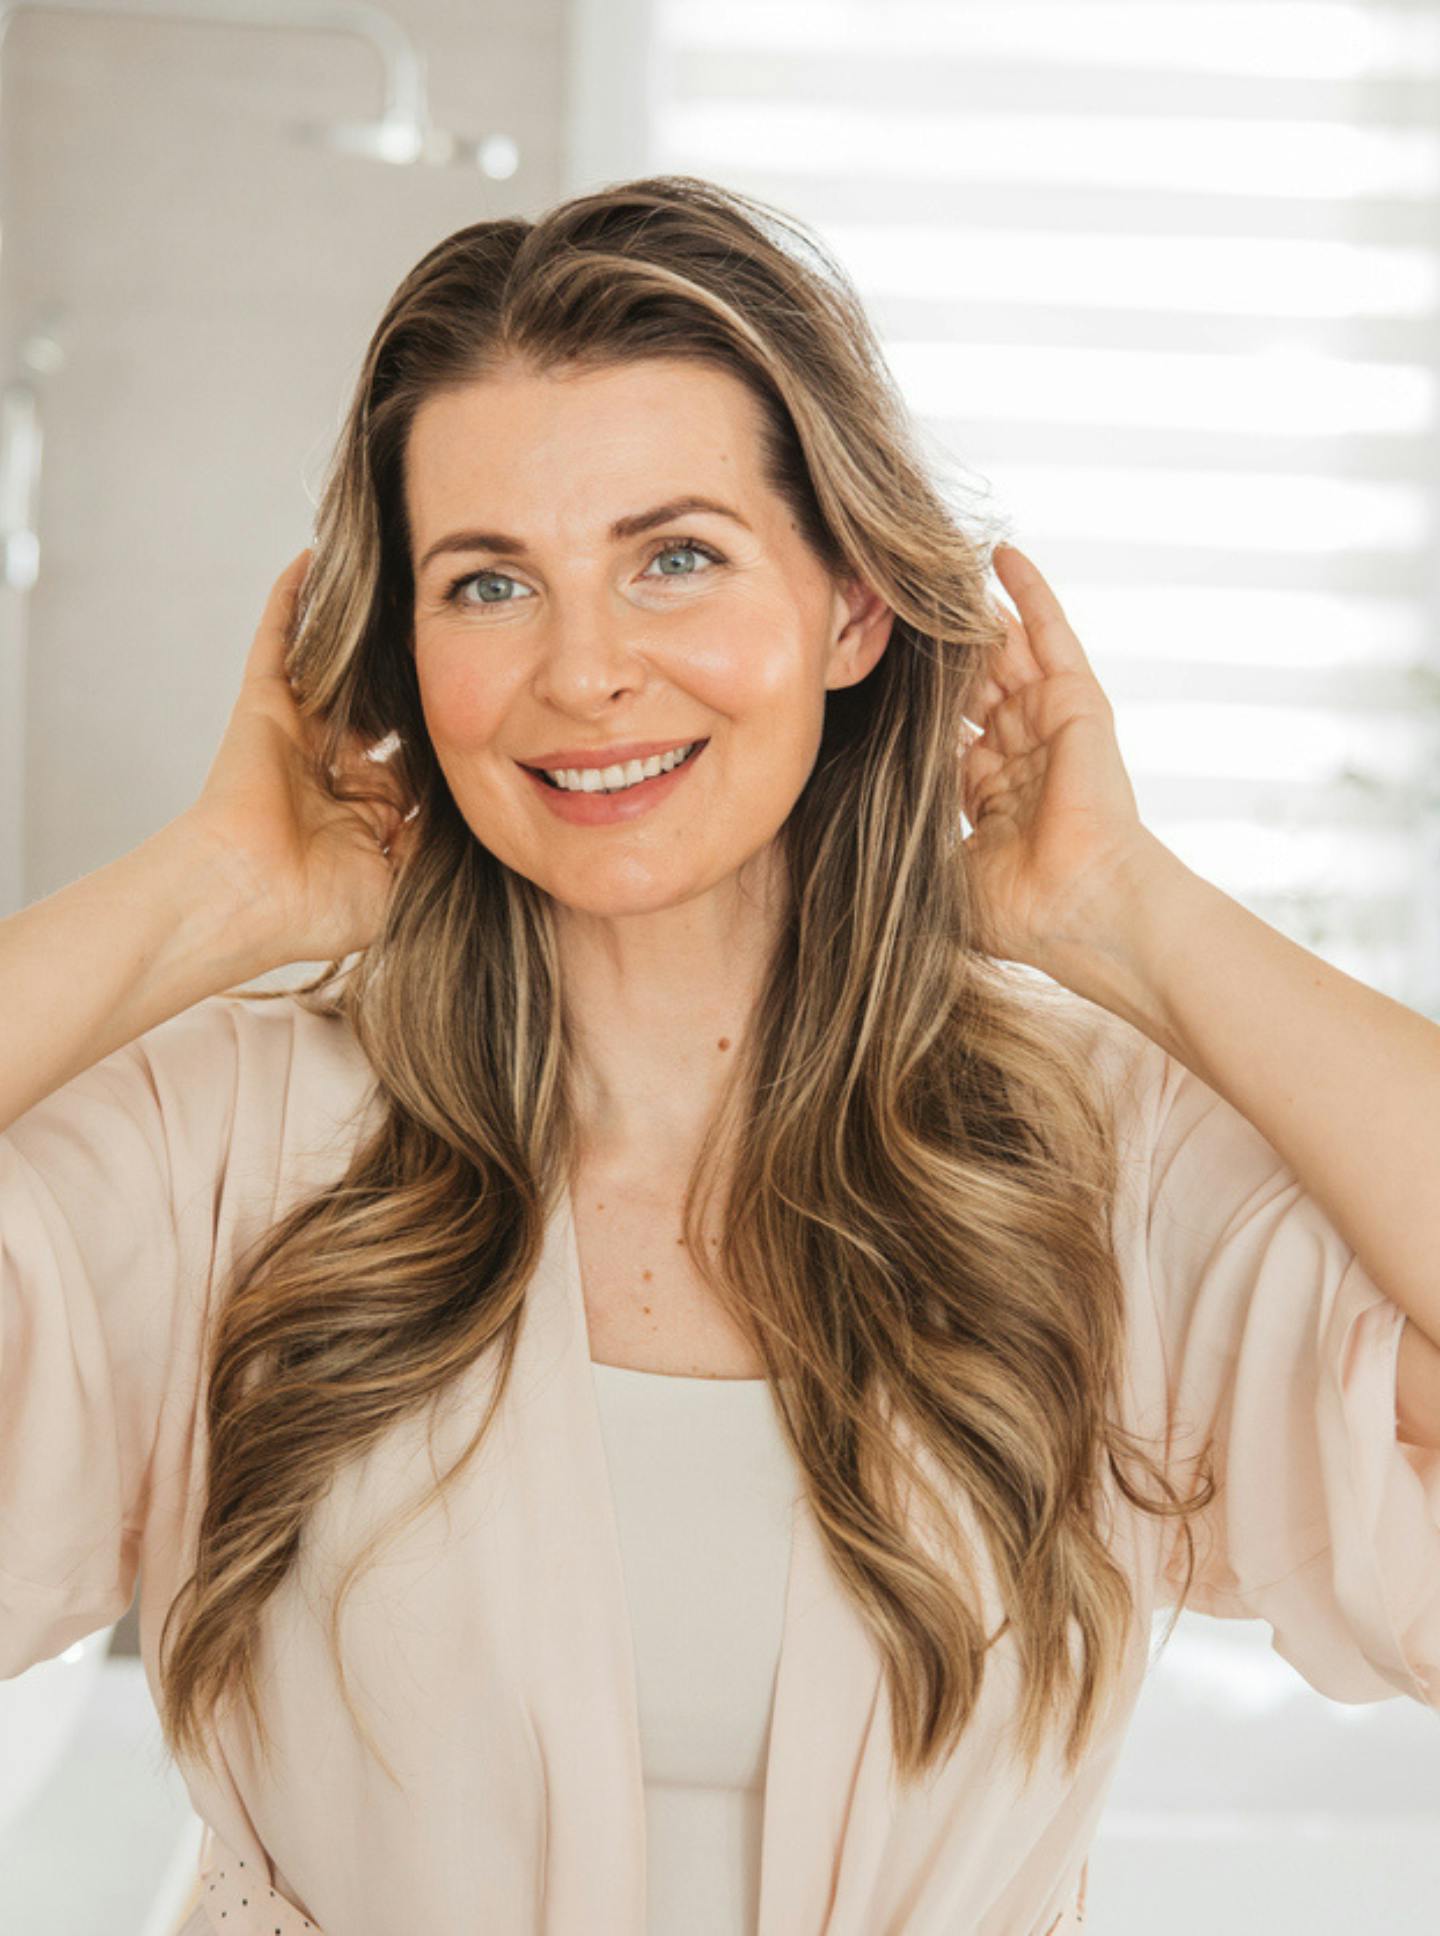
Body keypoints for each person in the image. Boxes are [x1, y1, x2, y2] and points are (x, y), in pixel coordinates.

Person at [2, 175, 1437, 1936]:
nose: (584, 670)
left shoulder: (1084, 1164)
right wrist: (206, 894)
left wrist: (1125, 911)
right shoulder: (228, 1144)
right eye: (489, 583)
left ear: (851, 609)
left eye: (674, 555)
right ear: (409, 648)